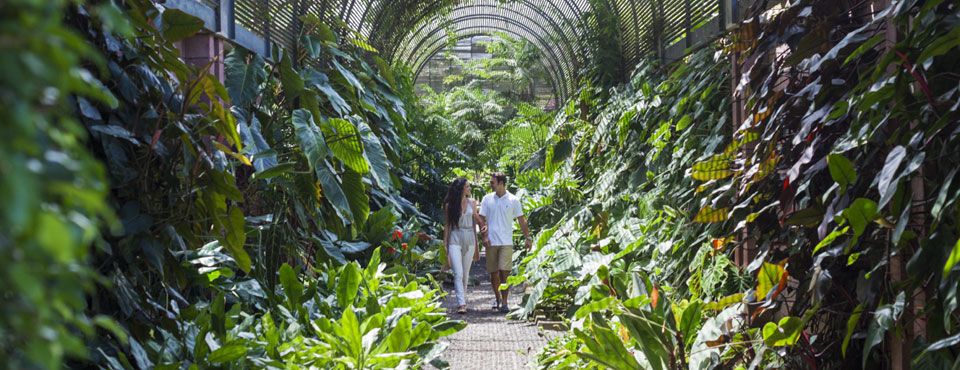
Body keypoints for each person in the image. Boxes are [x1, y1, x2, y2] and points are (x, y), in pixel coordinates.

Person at [479, 172, 532, 313]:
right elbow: (481, 218)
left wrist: (528, 237)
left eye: (493, 182)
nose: (490, 184)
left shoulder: (513, 200)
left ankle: (504, 302)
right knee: (494, 273)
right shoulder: (487, 199)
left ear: (501, 183)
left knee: (505, 273)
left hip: (506, 242)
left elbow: (521, 220)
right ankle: (497, 298)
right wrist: (483, 235)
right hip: (491, 241)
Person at [442, 177, 485, 314]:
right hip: (455, 237)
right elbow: (447, 226)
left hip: (469, 238)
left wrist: (483, 228)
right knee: (458, 273)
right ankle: (461, 303)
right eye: (467, 186)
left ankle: (463, 299)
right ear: (461, 189)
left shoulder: (472, 203)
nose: (470, 189)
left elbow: (476, 222)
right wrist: (445, 245)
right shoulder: (450, 205)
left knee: (465, 273)